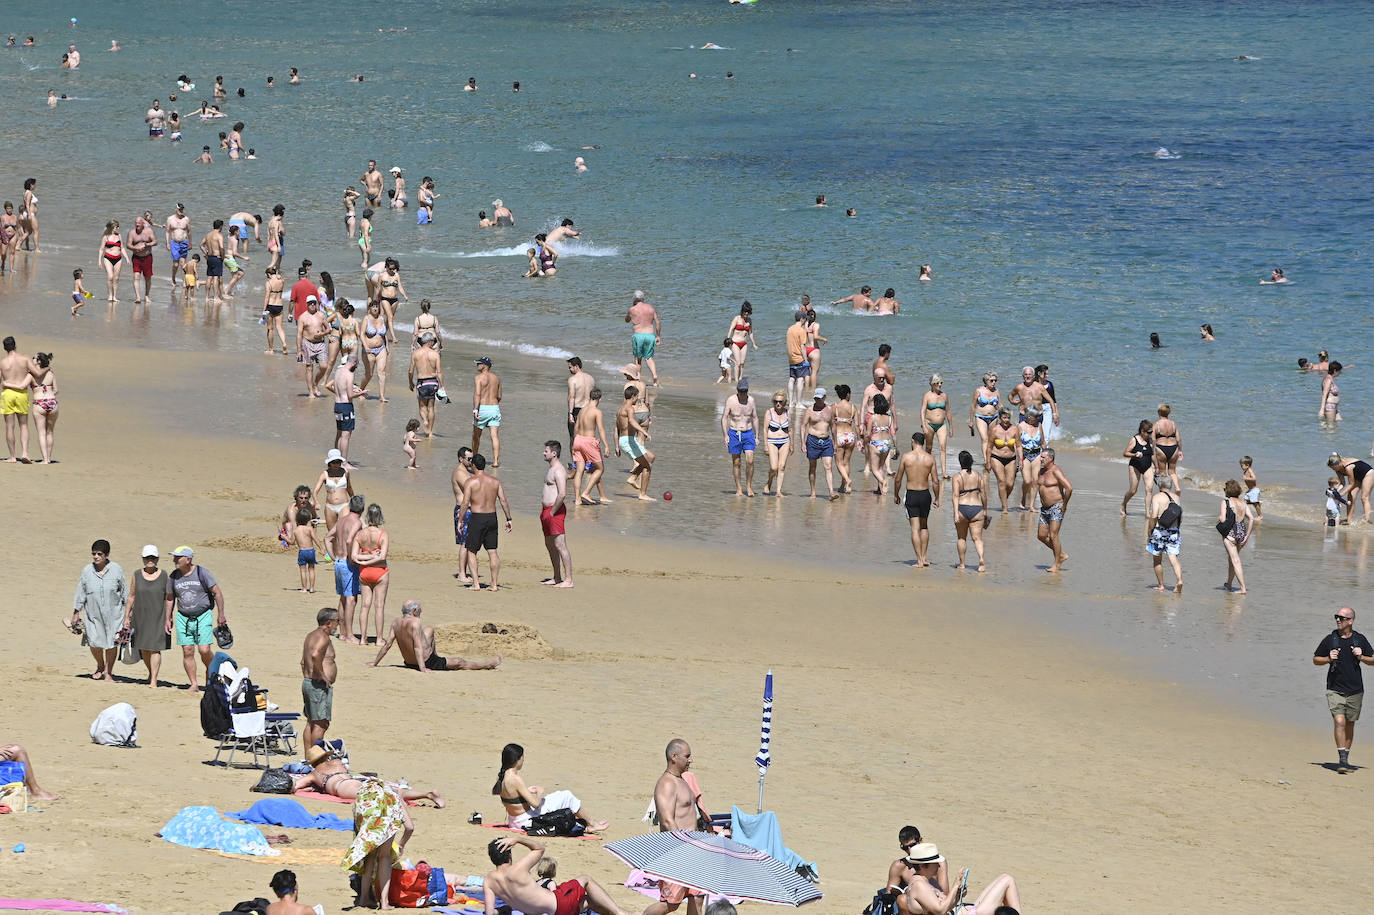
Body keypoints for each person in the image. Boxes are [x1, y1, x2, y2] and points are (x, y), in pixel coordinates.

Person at [483, 836, 631, 915]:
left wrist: (504, 911)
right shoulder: (517, 869)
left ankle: (623, 913)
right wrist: (517, 839)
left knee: (589, 901)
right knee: (585, 879)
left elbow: (490, 913)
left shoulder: (489, 881)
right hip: (560, 905)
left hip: (550, 912)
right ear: (509, 854)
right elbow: (539, 848)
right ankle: (619, 913)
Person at [645, 739, 706, 915]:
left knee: (697, 898)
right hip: (676, 853)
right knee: (670, 903)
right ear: (674, 756)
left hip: (693, 850)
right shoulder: (666, 783)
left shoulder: (682, 780)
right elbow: (666, 821)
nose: (690, 760)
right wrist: (685, 848)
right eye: (687, 756)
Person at [493, 743, 609, 831]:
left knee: (557, 796)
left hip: (514, 821)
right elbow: (536, 804)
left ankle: (588, 822)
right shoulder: (515, 779)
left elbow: (510, 796)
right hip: (527, 821)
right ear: (517, 760)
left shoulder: (502, 777)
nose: (523, 761)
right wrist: (539, 792)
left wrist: (526, 792)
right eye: (522, 758)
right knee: (567, 796)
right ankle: (591, 824)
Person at [1314, 607, 1374, 774]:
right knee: (1339, 721)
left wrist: (1361, 657)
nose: (1338, 620)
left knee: (1349, 723)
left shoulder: (1360, 640)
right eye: (1336, 617)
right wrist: (1327, 658)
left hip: (1356, 689)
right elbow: (1315, 659)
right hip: (1334, 688)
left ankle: (1345, 759)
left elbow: (1373, 660)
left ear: (1350, 621)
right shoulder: (1330, 639)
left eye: (1341, 617)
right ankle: (1342, 759)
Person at [368, 599, 501, 671]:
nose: (421, 610)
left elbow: (387, 645)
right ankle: (488, 664)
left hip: (408, 661)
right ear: (414, 611)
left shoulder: (396, 623)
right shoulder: (415, 623)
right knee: (460, 662)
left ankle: (435, 654)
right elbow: (417, 647)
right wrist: (423, 668)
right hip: (426, 662)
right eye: (419, 609)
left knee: (429, 629)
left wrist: (375, 662)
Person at [162, 545, 227, 691]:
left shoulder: (201, 573)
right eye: (174, 557)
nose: (174, 560)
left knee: (204, 650)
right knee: (188, 650)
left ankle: (211, 670)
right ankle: (194, 683)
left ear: (188, 559)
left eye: (178, 557)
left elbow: (217, 592)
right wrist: (168, 618)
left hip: (203, 615)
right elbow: (170, 598)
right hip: (183, 618)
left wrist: (221, 614)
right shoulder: (173, 577)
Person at [345, 777, 414, 910]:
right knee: (384, 856)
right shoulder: (395, 797)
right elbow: (410, 827)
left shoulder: (363, 795)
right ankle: (384, 902)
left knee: (370, 856)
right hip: (386, 813)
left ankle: (364, 898)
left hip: (367, 811)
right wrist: (401, 845)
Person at [900, 843, 1023, 915]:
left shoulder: (923, 880)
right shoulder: (919, 884)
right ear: (922, 865)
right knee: (1007, 880)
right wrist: (955, 885)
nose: (939, 865)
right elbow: (940, 910)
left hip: (965, 911)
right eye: (934, 863)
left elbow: (945, 905)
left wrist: (958, 894)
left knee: (1005, 878)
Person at [70, 539, 127, 683]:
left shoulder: (116, 569)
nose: (96, 557)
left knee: (112, 643)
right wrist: (76, 612)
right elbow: (81, 591)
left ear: (106, 554)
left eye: (99, 554)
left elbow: (124, 591)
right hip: (93, 614)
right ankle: (100, 665)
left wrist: (129, 613)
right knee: (94, 641)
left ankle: (109, 673)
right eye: (93, 554)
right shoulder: (87, 571)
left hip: (114, 614)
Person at [122, 545, 170, 688]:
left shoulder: (164, 575)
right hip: (140, 616)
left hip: (158, 616)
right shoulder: (137, 574)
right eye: (147, 558)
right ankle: (150, 673)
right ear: (143, 559)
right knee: (143, 648)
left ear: (158, 559)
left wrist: (169, 617)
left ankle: (154, 679)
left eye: (153, 558)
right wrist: (126, 617)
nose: (150, 560)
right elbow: (131, 596)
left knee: (155, 648)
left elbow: (168, 598)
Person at [463, 454, 514, 590]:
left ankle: (476, 584)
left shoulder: (470, 482)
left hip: (477, 518)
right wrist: (509, 518)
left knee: (471, 551)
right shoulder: (495, 481)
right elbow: (503, 501)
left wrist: (461, 520)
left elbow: (465, 503)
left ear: (473, 465)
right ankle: (494, 584)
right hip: (492, 517)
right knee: (492, 551)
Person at [893, 433, 939, 566]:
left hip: (912, 494)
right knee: (924, 526)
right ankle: (924, 558)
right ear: (923, 443)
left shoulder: (907, 457)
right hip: (925, 494)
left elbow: (898, 479)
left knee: (914, 528)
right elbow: (936, 481)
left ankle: (919, 560)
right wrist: (937, 498)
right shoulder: (930, 458)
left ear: (913, 441)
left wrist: (896, 495)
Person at [350, 504, 391, 644]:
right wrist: (372, 557)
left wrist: (364, 559)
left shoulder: (360, 534)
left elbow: (354, 556)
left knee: (365, 606)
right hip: (380, 572)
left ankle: (363, 638)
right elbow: (382, 557)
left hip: (364, 574)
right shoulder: (382, 534)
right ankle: (379, 639)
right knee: (379, 606)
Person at [300, 608, 338, 748]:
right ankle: (315, 761)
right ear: (328, 623)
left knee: (311, 722)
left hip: (309, 683)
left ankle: (309, 760)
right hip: (317, 686)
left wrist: (309, 676)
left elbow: (303, 662)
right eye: (337, 621)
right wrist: (322, 676)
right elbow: (315, 655)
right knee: (321, 725)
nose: (338, 625)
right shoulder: (323, 637)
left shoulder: (311, 635)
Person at [331, 494, 366, 645]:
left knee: (343, 598)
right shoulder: (356, 522)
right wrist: (354, 558)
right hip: (347, 563)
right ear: (362, 508)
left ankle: (343, 632)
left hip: (339, 561)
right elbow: (349, 539)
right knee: (351, 599)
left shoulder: (341, 520)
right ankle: (350, 634)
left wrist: (333, 556)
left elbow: (327, 538)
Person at [1, 337, 41, 463]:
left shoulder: (2, 362)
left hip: (8, 393)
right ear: (15, 345)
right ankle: (24, 453)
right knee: (23, 425)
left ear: (4, 348)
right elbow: (37, 373)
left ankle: (12, 456)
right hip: (21, 393)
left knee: (9, 426)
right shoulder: (25, 358)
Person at [541, 441, 574, 587]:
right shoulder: (551, 469)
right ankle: (557, 577)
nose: (544, 453)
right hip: (546, 511)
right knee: (550, 545)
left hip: (555, 511)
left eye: (546, 451)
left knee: (560, 545)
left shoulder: (559, 470)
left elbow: (562, 494)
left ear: (554, 453)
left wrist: (553, 512)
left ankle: (569, 580)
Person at [949, 450, 987, 572]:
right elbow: (984, 495)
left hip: (962, 508)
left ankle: (962, 564)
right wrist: (985, 510)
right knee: (978, 538)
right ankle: (981, 560)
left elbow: (955, 495)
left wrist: (955, 512)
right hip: (977, 509)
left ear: (960, 462)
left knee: (961, 538)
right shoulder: (978, 475)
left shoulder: (957, 477)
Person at [572, 389, 611, 505]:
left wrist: (576, 441)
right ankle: (586, 493)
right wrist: (606, 445)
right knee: (600, 469)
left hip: (578, 440)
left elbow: (576, 427)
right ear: (600, 399)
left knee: (579, 471)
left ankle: (578, 499)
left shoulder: (582, 410)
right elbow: (601, 429)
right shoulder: (597, 412)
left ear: (590, 397)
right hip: (589, 441)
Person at [615, 387, 655, 501]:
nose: (637, 399)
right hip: (628, 440)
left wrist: (617, 446)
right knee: (647, 465)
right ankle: (643, 494)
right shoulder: (629, 409)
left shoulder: (620, 409)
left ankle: (633, 478)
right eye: (637, 397)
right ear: (633, 396)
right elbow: (632, 421)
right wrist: (643, 432)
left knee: (651, 457)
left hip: (627, 440)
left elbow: (616, 429)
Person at [1036, 448, 1071, 573]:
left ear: (1051, 458)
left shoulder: (1056, 471)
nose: (1041, 459)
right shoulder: (1041, 471)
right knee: (1041, 536)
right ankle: (1060, 554)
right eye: (1041, 457)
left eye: (1043, 457)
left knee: (1053, 535)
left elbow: (1069, 488)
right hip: (1044, 509)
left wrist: (1064, 505)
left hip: (1057, 506)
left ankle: (1057, 564)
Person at [801, 387, 839, 500]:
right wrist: (803, 442)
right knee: (813, 467)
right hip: (812, 440)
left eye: (820, 399)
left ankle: (831, 492)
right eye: (816, 399)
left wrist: (835, 442)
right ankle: (813, 492)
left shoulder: (829, 410)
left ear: (824, 398)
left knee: (828, 466)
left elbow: (833, 426)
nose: (818, 401)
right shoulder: (809, 410)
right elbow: (803, 426)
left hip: (826, 441)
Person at [1145, 480, 1183, 593]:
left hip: (1159, 531)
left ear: (1160, 485)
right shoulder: (1176, 498)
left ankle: (1161, 585)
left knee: (1157, 560)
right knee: (1174, 558)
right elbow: (1180, 515)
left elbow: (1154, 515)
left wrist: (1150, 531)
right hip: (1174, 530)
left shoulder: (1157, 497)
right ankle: (1179, 580)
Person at [722, 378, 758, 497]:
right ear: (737, 390)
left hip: (748, 433)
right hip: (734, 433)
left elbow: (755, 418)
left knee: (750, 460)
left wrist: (757, 436)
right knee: (736, 462)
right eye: (741, 391)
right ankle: (739, 488)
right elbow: (724, 418)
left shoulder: (751, 400)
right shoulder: (731, 400)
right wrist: (725, 435)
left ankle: (749, 487)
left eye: (745, 391)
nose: (743, 394)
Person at [326, 354, 363, 465]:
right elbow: (350, 395)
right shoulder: (349, 374)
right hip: (346, 406)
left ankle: (336, 459)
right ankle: (344, 462)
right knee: (346, 436)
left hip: (337, 405)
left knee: (339, 433)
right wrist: (361, 393)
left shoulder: (338, 371)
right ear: (355, 362)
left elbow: (332, 386)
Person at [1217, 479, 1252, 593]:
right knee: (1232, 559)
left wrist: (1220, 518)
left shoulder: (1226, 502)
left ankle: (1243, 588)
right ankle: (1229, 584)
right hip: (1242, 532)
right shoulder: (1243, 503)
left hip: (1230, 533)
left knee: (1235, 560)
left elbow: (1222, 519)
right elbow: (1251, 518)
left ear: (1228, 491)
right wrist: (1247, 536)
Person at [408, 332, 443, 437]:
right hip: (433, 381)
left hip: (422, 382)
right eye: (432, 341)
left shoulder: (416, 354)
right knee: (431, 407)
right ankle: (430, 432)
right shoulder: (435, 354)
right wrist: (443, 386)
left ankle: (425, 420)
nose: (433, 343)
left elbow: (410, 371)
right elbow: (439, 372)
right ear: (430, 342)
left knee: (422, 406)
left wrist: (410, 382)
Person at [472, 356, 503, 467]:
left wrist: (476, 409)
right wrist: (494, 404)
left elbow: (477, 394)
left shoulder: (478, 378)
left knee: (476, 436)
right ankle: (495, 462)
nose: (477, 365)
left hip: (483, 408)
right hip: (494, 408)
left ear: (485, 365)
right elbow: (499, 396)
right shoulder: (496, 378)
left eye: (479, 363)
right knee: (494, 436)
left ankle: (474, 458)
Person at [986, 409, 1019, 513]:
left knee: (1010, 483)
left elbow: (1019, 446)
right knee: (1001, 481)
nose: (1006, 420)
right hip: (996, 457)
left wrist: (1021, 460)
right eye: (1004, 417)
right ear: (1000, 418)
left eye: (1008, 417)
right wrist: (987, 462)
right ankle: (1005, 507)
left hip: (1011, 458)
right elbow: (989, 447)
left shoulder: (1015, 429)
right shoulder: (995, 430)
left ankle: (1003, 499)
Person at [625, 291, 661, 385]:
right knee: (649, 358)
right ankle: (654, 375)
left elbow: (627, 320)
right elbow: (657, 323)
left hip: (638, 335)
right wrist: (658, 336)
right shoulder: (651, 308)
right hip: (650, 335)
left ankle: (638, 378)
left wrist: (631, 314)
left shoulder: (632, 309)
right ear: (643, 298)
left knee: (638, 358)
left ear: (634, 299)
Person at [358, 300, 391, 402]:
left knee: (382, 373)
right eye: (373, 307)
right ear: (369, 308)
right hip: (369, 350)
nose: (375, 308)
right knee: (369, 374)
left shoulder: (382, 318)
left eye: (377, 306)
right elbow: (362, 334)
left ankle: (382, 396)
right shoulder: (366, 319)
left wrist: (387, 346)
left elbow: (384, 334)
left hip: (381, 349)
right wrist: (365, 346)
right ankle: (360, 390)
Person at [1328, 452, 1374, 524]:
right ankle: (1349, 521)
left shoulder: (1348, 467)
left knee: (1364, 497)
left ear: (1339, 464)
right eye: (1332, 469)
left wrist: (1341, 495)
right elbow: (1343, 483)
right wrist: (1336, 491)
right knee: (1350, 495)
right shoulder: (1337, 469)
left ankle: (1367, 520)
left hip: (1368, 474)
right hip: (1357, 477)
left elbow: (1351, 484)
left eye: (1334, 468)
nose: (1334, 470)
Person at [1120, 420, 1155, 515]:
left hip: (1148, 467)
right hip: (1135, 466)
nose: (1151, 434)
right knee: (1133, 490)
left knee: (1149, 489)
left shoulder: (1150, 440)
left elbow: (1152, 455)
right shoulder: (1134, 440)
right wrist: (1135, 455)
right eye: (1149, 432)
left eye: (1152, 432)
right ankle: (1123, 504)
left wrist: (1156, 466)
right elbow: (1125, 453)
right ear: (1142, 431)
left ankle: (1147, 513)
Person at [29, 352, 58, 464]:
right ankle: (49, 459)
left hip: (39, 403)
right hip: (52, 402)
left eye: (34, 358)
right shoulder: (50, 372)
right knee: (50, 432)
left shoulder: (31, 374)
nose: (32, 359)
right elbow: (56, 390)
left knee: (41, 432)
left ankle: (45, 459)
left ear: (39, 361)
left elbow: (23, 385)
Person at [864, 393, 896, 493]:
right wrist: (896, 447)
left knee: (874, 470)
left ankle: (883, 482)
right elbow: (893, 433)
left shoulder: (873, 418)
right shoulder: (889, 418)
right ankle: (880, 490)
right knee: (881, 467)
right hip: (887, 443)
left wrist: (864, 442)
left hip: (875, 444)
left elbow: (868, 434)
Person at [762, 390, 793, 496]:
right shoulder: (769, 412)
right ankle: (769, 481)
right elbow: (765, 430)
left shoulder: (788, 412)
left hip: (785, 441)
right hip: (772, 441)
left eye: (780, 401)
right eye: (775, 401)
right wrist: (765, 445)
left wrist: (792, 444)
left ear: (784, 402)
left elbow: (790, 429)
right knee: (774, 467)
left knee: (782, 466)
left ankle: (778, 491)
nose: (778, 404)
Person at [920, 374, 950, 481]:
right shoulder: (927, 396)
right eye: (938, 383)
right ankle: (926, 470)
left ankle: (944, 472)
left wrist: (951, 427)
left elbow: (948, 411)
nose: (940, 385)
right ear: (932, 384)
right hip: (929, 424)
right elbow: (923, 411)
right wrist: (923, 425)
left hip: (942, 424)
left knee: (943, 447)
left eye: (941, 383)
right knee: (928, 448)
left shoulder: (944, 395)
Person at [453, 448, 475, 583]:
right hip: (463, 509)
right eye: (469, 459)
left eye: (472, 458)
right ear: (461, 459)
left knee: (468, 542)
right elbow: (470, 488)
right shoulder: (459, 473)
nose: (471, 461)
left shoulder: (467, 472)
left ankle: (465, 572)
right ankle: (462, 573)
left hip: (469, 509)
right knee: (465, 543)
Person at [831, 384, 859, 494]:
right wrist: (860, 439)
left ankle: (847, 480)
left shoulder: (835, 407)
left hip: (839, 436)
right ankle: (844, 487)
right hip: (850, 436)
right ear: (848, 394)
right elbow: (856, 425)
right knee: (846, 462)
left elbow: (831, 424)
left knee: (839, 463)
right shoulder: (853, 407)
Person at [566, 356, 594, 458]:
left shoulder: (572, 379)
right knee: (587, 437)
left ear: (576, 366)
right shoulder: (591, 378)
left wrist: (570, 414)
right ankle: (587, 462)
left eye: (570, 367)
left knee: (574, 438)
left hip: (577, 411)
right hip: (589, 410)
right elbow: (594, 397)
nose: (569, 370)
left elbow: (571, 397)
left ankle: (575, 462)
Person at [1016, 410, 1045, 510]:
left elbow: (1043, 442)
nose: (1035, 419)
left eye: (1037, 417)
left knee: (1035, 480)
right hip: (1025, 454)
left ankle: (1032, 505)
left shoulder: (1039, 425)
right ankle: (1024, 497)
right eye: (1034, 416)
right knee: (1027, 481)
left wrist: (1045, 457)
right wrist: (1020, 459)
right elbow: (1018, 445)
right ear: (1028, 416)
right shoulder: (1020, 426)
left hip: (1037, 454)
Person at [724, 301, 757, 386]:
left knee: (742, 363)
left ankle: (740, 379)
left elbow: (750, 333)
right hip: (735, 343)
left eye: (748, 312)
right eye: (745, 312)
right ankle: (736, 382)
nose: (746, 314)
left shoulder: (749, 320)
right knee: (737, 362)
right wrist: (728, 340)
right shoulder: (737, 318)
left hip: (744, 344)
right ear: (742, 311)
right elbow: (731, 329)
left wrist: (754, 343)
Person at [126, 215, 157, 304]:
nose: (137, 225)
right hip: (136, 258)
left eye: (139, 223)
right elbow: (128, 245)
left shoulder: (149, 231)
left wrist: (147, 245)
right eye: (136, 223)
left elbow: (155, 242)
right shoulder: (132, 233)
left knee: (148, 277)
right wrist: (135, 248)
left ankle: (147, 295)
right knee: (136, 276)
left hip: (147, 257)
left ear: (143, 224)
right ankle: (138, 297)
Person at [1151, 404, 1182, 493]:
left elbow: (1153, 440)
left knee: (1162, 472)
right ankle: (1177, 488)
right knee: (1172, 471)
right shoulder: (1173, 424)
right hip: (1173, 448)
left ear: (1159, 412)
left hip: (1161, 448)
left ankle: (1164, 492)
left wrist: (1153, 452)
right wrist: (1180, 450)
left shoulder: (1156, 425)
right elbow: (1179, 439)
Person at [968, 372, 1000, 455]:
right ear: (986, 381)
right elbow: (973, 406)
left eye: (995, 380)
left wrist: (1005, 417)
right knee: (984, 438)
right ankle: (986, 460)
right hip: (981, 417)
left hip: (994, 417)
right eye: (991, 380)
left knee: (991, 439)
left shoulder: (996, 391)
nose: (994, 382)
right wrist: (971, 421)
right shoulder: (979, 391)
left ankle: (991, 457)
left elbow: (1001, 405)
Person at [292, 509, 324, 592]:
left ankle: (304, 588)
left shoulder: (296, 530)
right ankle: (312, 588)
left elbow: (292, 542)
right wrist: (321, 548)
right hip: (311, 551)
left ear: (297, 519)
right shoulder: (309, 529)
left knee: (303, 571)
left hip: (302, 551)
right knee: (312, 569)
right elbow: (315, 539)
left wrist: (284, 537)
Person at [785, 309, 810, 407]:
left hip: (791, 358)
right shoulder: (801, 330)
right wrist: (806, 360)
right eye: (804, 319)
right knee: (800, 380)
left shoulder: (789, 329)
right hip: (799, 358)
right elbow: (803, 347)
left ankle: (790, 402)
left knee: (792, 379)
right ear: (802, 319)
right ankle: (799, 403)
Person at [97, 219, 125, 304]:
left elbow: (122, 247)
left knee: (116, 278)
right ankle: (110, 295)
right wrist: (99, 261)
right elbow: (101, 249)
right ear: (112, 227)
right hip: (108, 258)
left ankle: (114, 297)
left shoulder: (119, 236)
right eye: (117, 226)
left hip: (118, 258)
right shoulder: (105, 237)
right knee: (110, 276)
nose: (118, 228)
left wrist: (127, 258)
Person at [803, 297, 826, 392]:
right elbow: (816, 336)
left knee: (807, 372)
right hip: (813, 349)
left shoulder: (804, 324)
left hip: (805, 349)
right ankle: (812, 390)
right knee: (814, 372)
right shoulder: (816, 325)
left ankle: (806, 389)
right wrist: (824, 339)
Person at [1240, 455, 1262, 520]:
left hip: (1254, 490)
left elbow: (1254, 478)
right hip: (1250, 490)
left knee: (1254, 504)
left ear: (1247, 465)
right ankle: (1257, 504)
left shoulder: (1250, 470)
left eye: (1242, 465)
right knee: (1244, 502)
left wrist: (1246, 478)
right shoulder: (1245, 471)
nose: (1241, 467)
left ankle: (1260, 515)